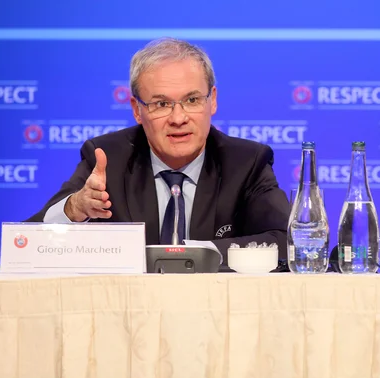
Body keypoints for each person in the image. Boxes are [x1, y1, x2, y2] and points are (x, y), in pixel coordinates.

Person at [27, 37, 290, 261]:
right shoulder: (107, 158)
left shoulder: (246, 162)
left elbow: (284, 240)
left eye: (192, 100)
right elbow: (27, 242)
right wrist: (74, 209)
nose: (178, 118)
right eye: (161, 104)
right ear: (136, 110)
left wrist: (194, 254)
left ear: (213, 101)